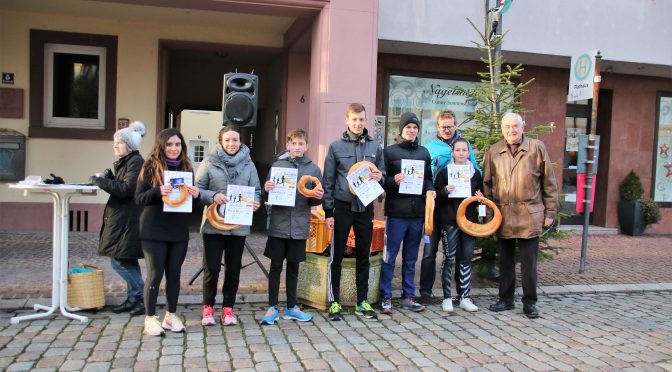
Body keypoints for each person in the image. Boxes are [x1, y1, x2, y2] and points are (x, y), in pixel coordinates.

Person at [483, 112, 558, 319]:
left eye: (515, 126)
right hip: (504, 214)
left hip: (529, 214)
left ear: (523, 126)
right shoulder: (494, 151)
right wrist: (489, 213)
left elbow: (549, 183)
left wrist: (550, 211)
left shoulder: (536, 148)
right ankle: (506, 299)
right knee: (505, 261)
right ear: (502, 129)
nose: (511, 130)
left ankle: (530, 302)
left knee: (529, 263)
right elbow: (487, 184)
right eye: (507, 127)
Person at [323, 103, 385, 321]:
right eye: (354, 119)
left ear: (365, 120)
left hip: (365, 208)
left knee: (364, 256)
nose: (358, 124)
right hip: (341, 207)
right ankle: (334, 302)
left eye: (361, 120)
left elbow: (382, 173)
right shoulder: (335, 147)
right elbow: (328, 180)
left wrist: (380, 177)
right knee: (336, 255)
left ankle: (362, 301)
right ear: (346, 120)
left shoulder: (375, 147)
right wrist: (328, 211)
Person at [135, 128, 200, 336]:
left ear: (182, 147)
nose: (174, 149)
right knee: (155, 274)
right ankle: (150, 317)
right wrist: (157, 191)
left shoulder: (187, 168)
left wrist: (196, 195)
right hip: (154, 229)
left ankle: (171, 315)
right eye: (169, 145)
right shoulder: (151, 166)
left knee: (174, 274)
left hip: (178, 230)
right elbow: (138, 198)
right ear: (162, 146)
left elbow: (191, 206)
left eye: (177, 144)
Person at [195, 126, 261, 326]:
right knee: (212, 268)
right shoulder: (208, 162)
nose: (231, 144)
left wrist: (255, 202)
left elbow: (256, 190)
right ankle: (208, 308)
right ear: (221, 142)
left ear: (240, 142)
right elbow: (197, 190)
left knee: (233, 269)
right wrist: (213, 196)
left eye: (235, 140)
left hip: (237, 225)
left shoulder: (249, 165)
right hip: (213, 225)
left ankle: (228, 309)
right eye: (227, 140)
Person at [260, 129, 323, 325]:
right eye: (293, 143)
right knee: (275, 267)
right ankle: (272, 307)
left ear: (306, 146)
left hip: (299, 225)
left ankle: (291, 307)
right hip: (278, 225)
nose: (297, 147)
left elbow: (312, 203)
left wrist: (318, 197)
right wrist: (266, 190)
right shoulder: (278, 166)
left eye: (301, 144)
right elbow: (267, 198)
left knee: (294, 268)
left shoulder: (313, 170)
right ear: (288, 145)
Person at [419, 110, 481, 305]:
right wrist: (435, 192)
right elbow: (426, 177)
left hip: (458, 210)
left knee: (458, 253)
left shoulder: (465, 145)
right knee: (429, 252)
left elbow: (476, 171)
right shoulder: (429, 147)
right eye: (443, 126)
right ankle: (426, 292)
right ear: (438, 127)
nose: (447, 129)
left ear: (456, 125)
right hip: (436, 208)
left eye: (450, 125)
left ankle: (461, 294)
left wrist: (479, 195)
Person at [379, 112, 434, 314]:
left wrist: (430, 188)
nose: (411, 131)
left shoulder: (423, 152)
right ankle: (385, 296)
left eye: (415, 128)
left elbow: (428, 178)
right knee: (390, 256)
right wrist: (394, 180)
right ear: (401, 130)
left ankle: (408, 296)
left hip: (417, 214)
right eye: (408, 127)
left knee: (411, 258)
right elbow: (381, 181)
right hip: (396, 214)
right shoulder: (390, 152)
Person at [90, 121, 146, 316]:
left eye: (118, 143)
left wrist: (101, 181)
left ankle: (140, 294)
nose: (115, 146)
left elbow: (126, 190)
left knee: (118, 261)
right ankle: (134, 300)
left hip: (127, 220)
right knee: (127, 259)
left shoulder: (135, 162)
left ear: (129, 146)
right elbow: (123, 184)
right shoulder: (128, 162)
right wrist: (110, 178)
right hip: (124, 218)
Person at [434, 138, 483, 313]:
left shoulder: (475, 174)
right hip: (450, 221)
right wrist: (445, 191)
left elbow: (479, 202)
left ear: (468, 153)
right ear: (452, 153)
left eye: (464, 150)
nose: (461, 153)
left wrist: (480, 198)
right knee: (449, 258)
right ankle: (447, 297)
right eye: (458, 150)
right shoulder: (445, 172)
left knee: (466, 259)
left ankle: (464, 297)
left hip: (469, 222)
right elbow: (436, 196)